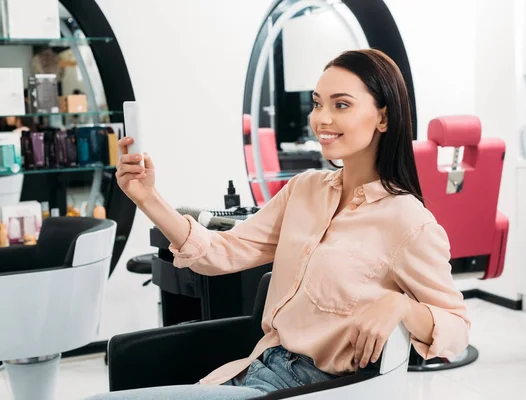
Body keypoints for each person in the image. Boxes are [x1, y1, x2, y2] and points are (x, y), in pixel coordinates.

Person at [87, 49, 470, 400]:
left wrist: (400, 306)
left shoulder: (408, 220)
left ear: (383, 117)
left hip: (311, 389)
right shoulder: (304, 190)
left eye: (342, 105)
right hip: (256, 367)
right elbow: (220, 253)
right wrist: (147, 198)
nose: (323, 118)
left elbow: (456, 329)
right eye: (318, 103)